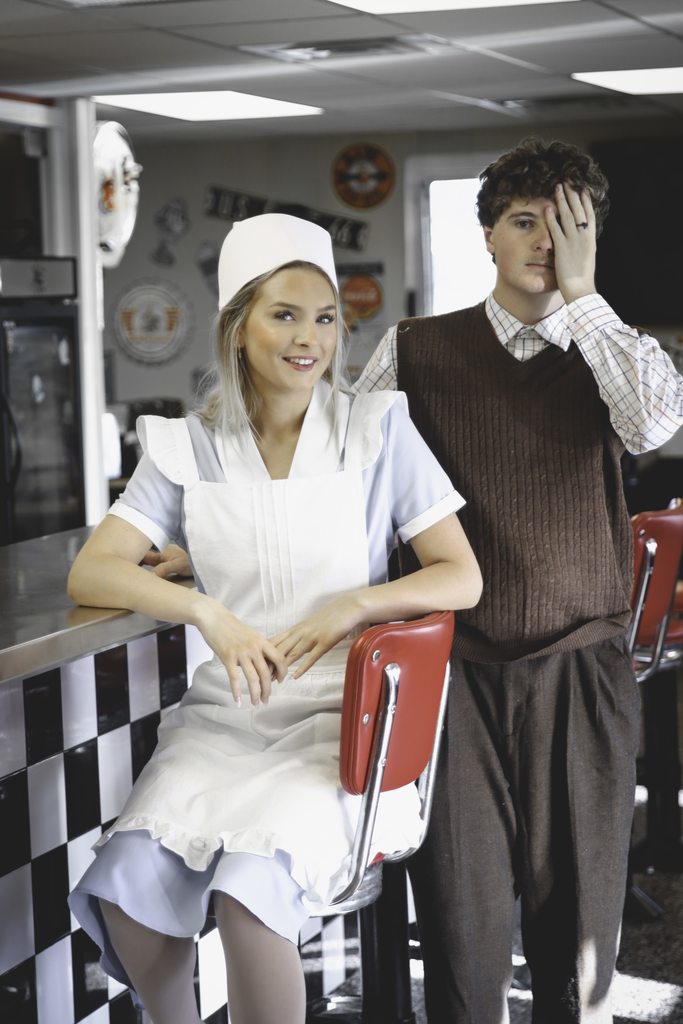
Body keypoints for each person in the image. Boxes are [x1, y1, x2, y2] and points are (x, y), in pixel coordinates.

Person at [67, 213, 482, 1024]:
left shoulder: (376, 426)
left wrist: (356, 603)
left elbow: (459, 576)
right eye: (284, 315)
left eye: (325, 318)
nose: (310, 339)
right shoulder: (185, 447)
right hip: (227, 715)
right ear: (238, 324)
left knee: (248, 898)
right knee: (124, 881)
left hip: (342, 722)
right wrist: (204, 612)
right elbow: (95, 567)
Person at [352, 137, 683, 1024]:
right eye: (525, 221)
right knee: (462, 922)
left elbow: (654, 424)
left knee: (578, 940)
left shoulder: (612, 351)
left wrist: (583, 296)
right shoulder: (414, 351)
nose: (545, 240)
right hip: (453, 671)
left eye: (570, 224)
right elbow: (347, 481)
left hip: (580, 668)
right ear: (488, 236)